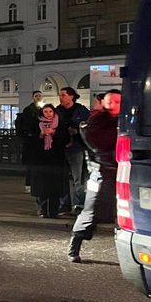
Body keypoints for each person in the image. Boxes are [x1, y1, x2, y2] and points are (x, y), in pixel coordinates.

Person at [68, 89, 121, 263]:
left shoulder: (124, 120)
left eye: (118, 101)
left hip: (121, 171)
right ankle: (74, 245)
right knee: (91, 210)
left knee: (124, 213)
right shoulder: (97, 120)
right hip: (101, 172)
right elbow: (99, 143)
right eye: (110, 101)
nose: (114, 105)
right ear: (104, 103)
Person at [57, 87, 90, 215]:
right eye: (60, 95)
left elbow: (89, 126)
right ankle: (64, 204)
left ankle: (79, 204)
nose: (61, 97)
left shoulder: (81, 111)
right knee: (62, 177)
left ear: (71, 97)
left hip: (77, 148)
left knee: (79, 178)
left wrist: (78, 131)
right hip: (61, 148)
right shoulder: (58, 111)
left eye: (63, 95)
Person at [30, 104, 67, 218]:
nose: (48, 114)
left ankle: (54, 211)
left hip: (56, 160)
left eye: (50, 111)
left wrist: (54, 133)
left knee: (55, 187)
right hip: (41, 160)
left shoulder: (59, 124)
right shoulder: (37, 124)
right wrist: (41, 134)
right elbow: (31, 141)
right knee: (42, 187)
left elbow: (65, 139)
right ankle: (42, 209)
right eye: (45, 111)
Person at [16, 91, 43, 193]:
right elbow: (28, 125)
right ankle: (28, 183)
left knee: (37, 163)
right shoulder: (29, 110)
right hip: (31, 141)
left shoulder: (41, 109)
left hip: (38, 139)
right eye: (36, 96)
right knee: (31, 164)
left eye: (40, 96)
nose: (38, 97)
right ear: (33, 97)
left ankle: (35, 183)